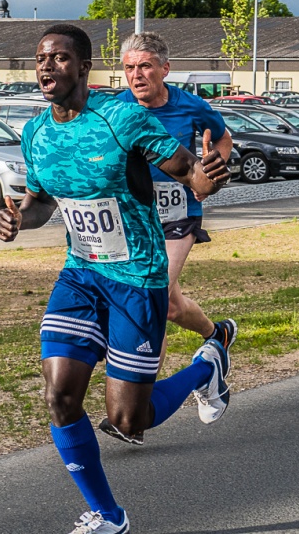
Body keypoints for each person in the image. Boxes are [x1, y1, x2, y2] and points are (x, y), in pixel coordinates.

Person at [0, 24, 233, 534]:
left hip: (137, 278)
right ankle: (109, 516)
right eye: (41, 58)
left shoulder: (120, 116)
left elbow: (186, 166)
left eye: (59, 58)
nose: (46, 67)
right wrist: (19, 219)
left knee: (130, 421)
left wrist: (204, 178)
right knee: (59, 396)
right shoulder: (36, 132)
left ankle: (207, 366)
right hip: (80, 275)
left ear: (84, 67)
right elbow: (40, 203)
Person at [98, 31, 237, 446]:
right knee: (172, 305)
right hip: (135, 219)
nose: (136, 76)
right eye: (128, 68)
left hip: (179, 215)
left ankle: (136, 411)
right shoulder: (115, 108)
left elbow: (224, 138)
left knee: (155, 296)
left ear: (164, 69)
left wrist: (210, 171)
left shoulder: (190, 105)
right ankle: (219, 335)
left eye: (144, 67)